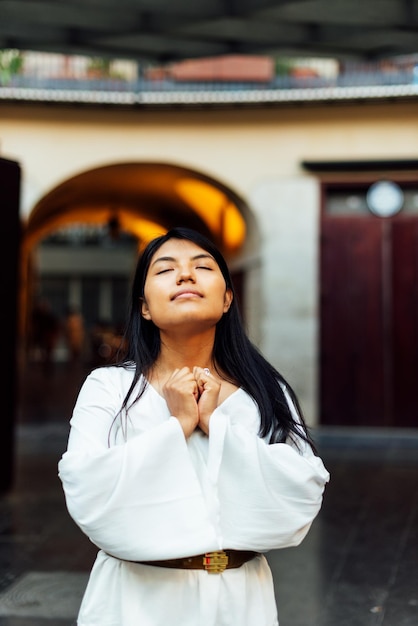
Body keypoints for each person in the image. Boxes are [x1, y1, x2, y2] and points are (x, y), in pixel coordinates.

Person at [58, 226, 330, 626]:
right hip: (134, 600)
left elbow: (300, 499)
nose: (186, 275)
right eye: (166, 270)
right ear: (145, 307)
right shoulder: (109, 388)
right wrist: (178, 426)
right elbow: (88, 494)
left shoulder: (264, 392)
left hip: (240, 599)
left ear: (227, 299)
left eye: (202, 266)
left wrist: (217, 425)